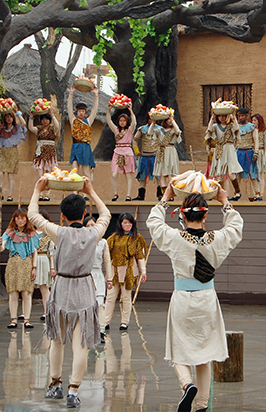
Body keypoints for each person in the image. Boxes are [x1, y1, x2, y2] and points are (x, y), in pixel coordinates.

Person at [146, 182, 244, 412]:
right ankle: (201, 406)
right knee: (204, 353)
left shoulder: (174, 237)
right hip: (207, 298)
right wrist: (225, 201)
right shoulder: (217, 238)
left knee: (178, 349)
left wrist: (165, 198)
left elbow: (154, 223)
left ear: (182, 214)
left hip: (182, 298)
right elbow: (236, 227)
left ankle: (186, 384)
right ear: (205, 215)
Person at [27, 175, 112, 408]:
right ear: (85, 213)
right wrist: (91, 191)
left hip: (62, 287)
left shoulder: (58, 232)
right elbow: (106, 215)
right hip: (84, 288)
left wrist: (37, 190)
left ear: (63, 215)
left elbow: (33, 215)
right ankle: (73, 391)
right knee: (80, 343)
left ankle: (55, 384)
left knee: (56, 340)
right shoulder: (93, 233)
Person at [0, 209, 40, 330]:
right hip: (13, 263)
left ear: (26, 219)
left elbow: (34, 252)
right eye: (18, 218)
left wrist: (34, 267)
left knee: (26, 293)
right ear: (14, 219)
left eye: (22, 218)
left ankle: (27, 319)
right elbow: (2, 248)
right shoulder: (9, 232)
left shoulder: (31, 233)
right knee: (13, 293)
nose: (20, 221)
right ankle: (13, 319)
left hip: (26, 263)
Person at [103, 213, 147, 332]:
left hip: (129, 270)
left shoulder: (137, 238)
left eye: (129, 222)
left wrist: (143, 271)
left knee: (127, 297)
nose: (127, 225)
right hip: (114, 270)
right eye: (125, 222)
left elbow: (140, 256)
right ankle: (105, 321)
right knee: (110, 297)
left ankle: (124, 322)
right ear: (121, 223)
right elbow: (105, 250)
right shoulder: (114, 237)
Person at [86, 215, 113, 341]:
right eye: (88, 225)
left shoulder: (103, 242)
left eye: (93, 225)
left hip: (98, 274)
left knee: (100, 304)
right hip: (85, 275)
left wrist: (109, 278)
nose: (90, 227)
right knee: (88, 305)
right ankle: (89, 330)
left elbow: (107, 260)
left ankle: (101, 330)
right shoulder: (82, 241)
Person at [205, 111, 242, 199]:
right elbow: (209, 131)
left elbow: (237, 129)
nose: (222, 118)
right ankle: (221, 194)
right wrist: (212, 117)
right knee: (220, 174)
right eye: (220, 116)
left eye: (224, 116)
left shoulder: (231, 126)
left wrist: (234, 116)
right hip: (220, 149)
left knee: (231, 173)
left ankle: (237, 192)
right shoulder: (215, 126)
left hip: (230, 149)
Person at [0, 105, 27, 201]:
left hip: (13, 151)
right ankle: (0, 194)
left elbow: (24, 123)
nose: (9, 118)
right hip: (3, 151)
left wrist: (17, 113)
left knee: (10, 175)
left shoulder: (16, 128)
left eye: (10, 116)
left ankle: (10, 195)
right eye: (7, 116)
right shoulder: (1, 127)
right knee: (0, 173)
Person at [28, 105, 61, 201]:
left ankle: (47, 194)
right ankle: (40, 193)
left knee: (48, 174)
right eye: (43, 119)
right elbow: (31, 128)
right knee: (40, 174)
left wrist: (52, 115)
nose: (45, 121)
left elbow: (57, 126)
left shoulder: (52, 129)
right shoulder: (39, 129)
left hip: (50, 153)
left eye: (46, 119)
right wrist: (31, 117)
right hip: (40, 153)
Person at [68, 83, 100, 180]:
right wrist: (71, 93)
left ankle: (88, 189)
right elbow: (69, 108)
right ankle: (74, 189)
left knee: (86, 172)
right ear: (77, 112)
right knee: (74, 171)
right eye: (79, 111)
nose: (81, 113)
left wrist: (96, 95)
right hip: (75, 146)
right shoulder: (73, 120)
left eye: (83, 111)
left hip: (85, 147)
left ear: (85, 112)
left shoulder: (88, 121)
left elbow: (94, 110)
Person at [107, 104, 137, 201]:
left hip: (127, 152)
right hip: (117, 152)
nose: (122, 122)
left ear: (127, 121)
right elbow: (108, 121)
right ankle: (115, 194)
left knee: (128, 175)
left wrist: (131, 110)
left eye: (124, 120)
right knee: (114, 174)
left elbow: (134, 123)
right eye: (120, 120)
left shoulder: (129, 130)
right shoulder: (116, 130)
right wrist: (108, 110)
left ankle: (128, 195)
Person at [151, 115, 182, 198]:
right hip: (161, 152)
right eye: (168, 119)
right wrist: (153, 123)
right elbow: (150, 133)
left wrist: (173, 120)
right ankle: (164, 193)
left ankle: (170, 193)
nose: (170, 121)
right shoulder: (159, 130)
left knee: (170, 173)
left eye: (171, 119)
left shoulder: (173, 130)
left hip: (171, 151)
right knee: (162, 173)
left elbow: (178, 131)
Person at [234, 108, 261, 201]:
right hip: (239, 152)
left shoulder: (252, 127)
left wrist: (256, 153)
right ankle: (237, 193)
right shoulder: (236, 127)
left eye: (242, 116)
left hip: (249, 152)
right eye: (239, 116)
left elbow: (256, 141)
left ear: (246, 116)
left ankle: (257, 194)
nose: (240, 118)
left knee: (252, 173)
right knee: (237, 174)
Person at [35, 210, 56, 321]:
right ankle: (24, 313)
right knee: (27, 289)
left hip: (44, 259)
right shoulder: (31, 233)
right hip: (31, 260)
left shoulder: (49, 233)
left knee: (44, 287)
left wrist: (52, 267)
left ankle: (46, 311)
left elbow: (51, 252)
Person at [133, 119, 160, 200]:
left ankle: (160, 194)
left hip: (156, 157)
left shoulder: (160, 129)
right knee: (142, 176)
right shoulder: (142, 129)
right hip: (144, 156)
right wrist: (137, 151)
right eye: (150, 118)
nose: (152, 120)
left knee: (159, 176)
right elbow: (135, 139)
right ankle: (141, 196)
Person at [251, 113, 266, 201]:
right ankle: (255, 193)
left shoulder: (264, 132)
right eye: (252, 120)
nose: (253, 122)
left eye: (255, 120)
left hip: (261, 153)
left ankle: (261, 194)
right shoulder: (250, 131)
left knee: (261, 175)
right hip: (252, 153)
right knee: (253, 175)